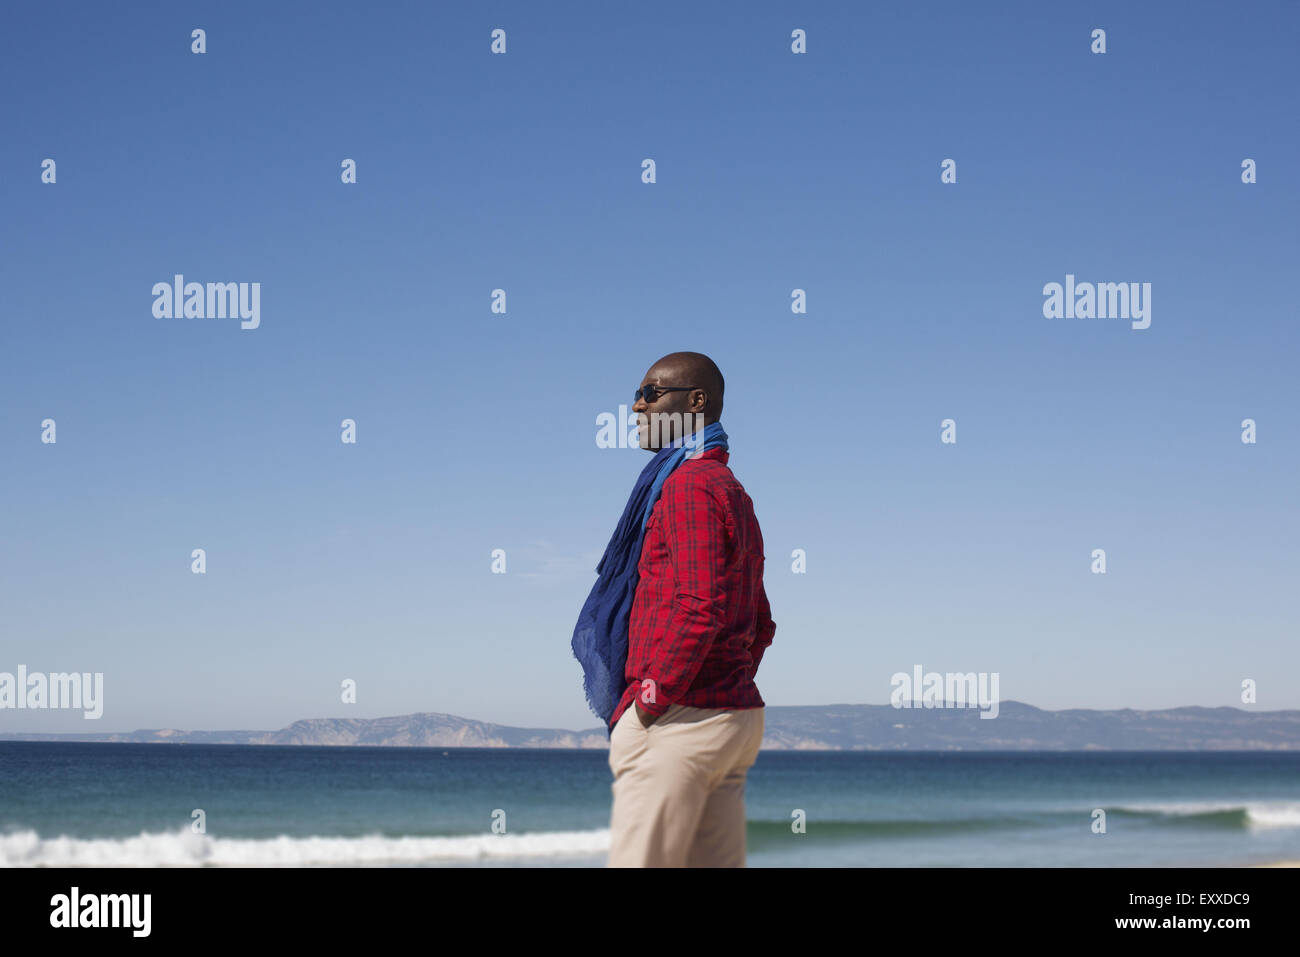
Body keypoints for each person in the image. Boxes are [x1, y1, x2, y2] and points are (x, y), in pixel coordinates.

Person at [603, 351, 775, 867]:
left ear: (695, 402)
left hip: (682, 720)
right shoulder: (731, 490)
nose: (635, 406)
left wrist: (653, 698)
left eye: (651, 393)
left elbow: (700, 607)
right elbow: (759, 620)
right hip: (731, 716)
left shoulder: (688, 487)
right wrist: (729, 678)